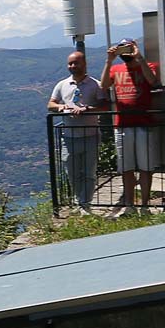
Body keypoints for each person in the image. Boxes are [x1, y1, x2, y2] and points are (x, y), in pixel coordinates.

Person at [102, 38, 160, 214]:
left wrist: (140, 58)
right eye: (122, 49)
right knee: (126, 167)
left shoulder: (149, 65)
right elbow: (104, 85)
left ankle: (144, 204)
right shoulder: (115, 69)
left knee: (146, 167)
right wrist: (109, 61)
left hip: (144, 122)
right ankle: (129, 204)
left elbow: (152, 81)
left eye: (128, 48)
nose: (125, 52)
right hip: (122, 124)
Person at [48, 50, 107, 210]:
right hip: (69, 136)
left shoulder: (96, 84)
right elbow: (51, 104)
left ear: (84, 64)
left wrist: (87, 109)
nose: (73, 66)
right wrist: (61, 107)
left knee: (89, 172)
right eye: (70, 63)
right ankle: (79, 200)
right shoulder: (62, 85)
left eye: (76, 63)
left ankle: (84, 203)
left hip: (90, 134)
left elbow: (104, 106)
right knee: (72, 172)